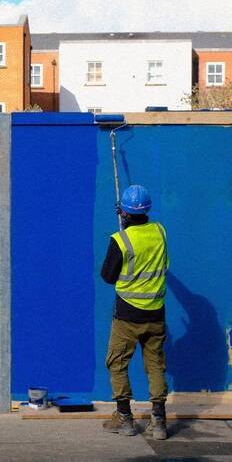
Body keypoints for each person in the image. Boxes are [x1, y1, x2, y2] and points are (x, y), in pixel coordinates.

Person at [99, 184, 170, 439]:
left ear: (124, 213)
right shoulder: (160, 232)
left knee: (117, 363)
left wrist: (123, 230)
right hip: (156, 313)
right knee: (155, 366)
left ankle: (125, 418)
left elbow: (107, 276)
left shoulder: (121, 240)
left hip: (127, 315)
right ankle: (159, 422)